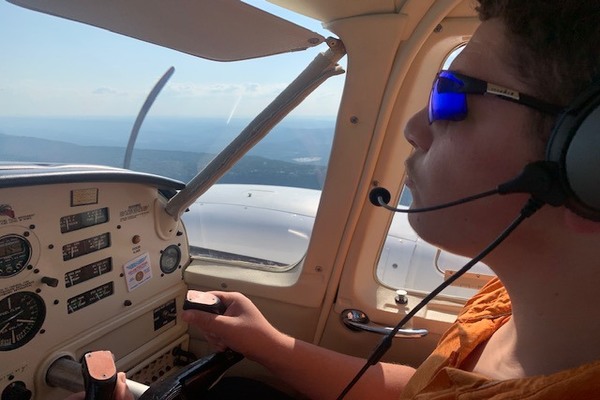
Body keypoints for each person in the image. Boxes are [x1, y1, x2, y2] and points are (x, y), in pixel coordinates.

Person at [68, 0, 600, 398]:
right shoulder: (504, 304)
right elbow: (423, 389)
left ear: (586, 164)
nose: (416, 127)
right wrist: (270, 345)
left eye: (453, 95)